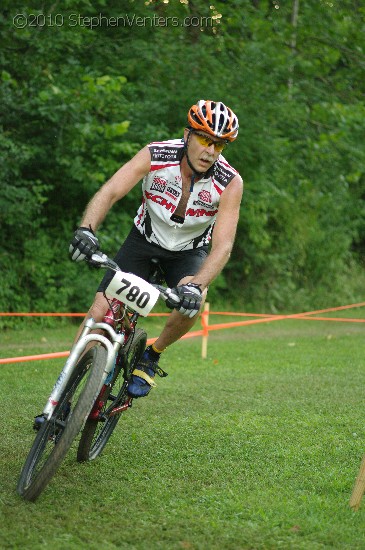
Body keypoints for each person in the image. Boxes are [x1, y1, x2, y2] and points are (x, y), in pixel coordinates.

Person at [69, 99, 243, 399]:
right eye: (205, 139)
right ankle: (64, 394)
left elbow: (223, 246)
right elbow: (110, 191)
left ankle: (153, 353)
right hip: (143, 240)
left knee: (194, 300)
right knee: (98, 314)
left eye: (220, 145)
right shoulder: (156, 154)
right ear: (188, 134)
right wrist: (86, 230)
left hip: (188, 252)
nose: (210, 151)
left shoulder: (230, 182)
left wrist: (198, 284)